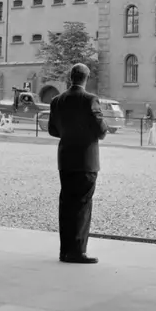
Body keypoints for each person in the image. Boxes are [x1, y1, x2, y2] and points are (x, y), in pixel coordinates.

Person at [48, 63, 108, 264]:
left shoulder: (57, 101)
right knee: (82, 205)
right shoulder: (90, 100)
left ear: (70, 77)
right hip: (86, 160)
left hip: (65, 159)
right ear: (86, 78)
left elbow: (52, 130)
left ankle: (65, 250)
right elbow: (101, 130)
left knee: (66, 205)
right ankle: (78, 251)